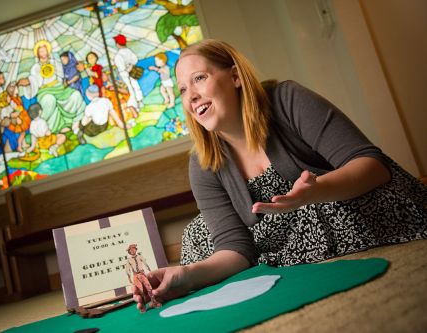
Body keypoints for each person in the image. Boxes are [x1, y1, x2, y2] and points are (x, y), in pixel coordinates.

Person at [132, 39, 427, 312]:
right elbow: (235, 248)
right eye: (182, 89)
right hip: (282, 224)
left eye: (199, 78)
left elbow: (372, 165)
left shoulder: (287, 99)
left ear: (234, 76)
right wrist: (187, 275)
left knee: (326, 210)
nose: (191, 96)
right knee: (197, 234)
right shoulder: (202, 162)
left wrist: (317, 191)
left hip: (342, 194)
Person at [18, 40, 85, 134]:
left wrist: (80, 68)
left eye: (45, 50)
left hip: (58, 87)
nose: (43, 52)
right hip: (45, 90)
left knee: (75, 94)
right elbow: (34, 80)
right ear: (38, 54)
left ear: (48, 51)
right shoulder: (36, 67)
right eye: (41, 51)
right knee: (49, 100)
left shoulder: (55, 62)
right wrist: (28, 81)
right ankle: (56, 128)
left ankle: (71, 123)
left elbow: (63, 73)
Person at [124, 244, 161, 312]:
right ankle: (143, 305)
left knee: (149, 288)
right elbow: (127, 270)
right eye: (131, 250)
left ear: (136, 249)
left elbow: (145, 263)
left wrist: (150, 271)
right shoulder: (129, 260)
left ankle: (154, 302)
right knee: (141, 291)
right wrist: (129, 278)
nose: (132, 250)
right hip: (136, 276)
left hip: (142, 274)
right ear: (129, 251)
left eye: (134, 249)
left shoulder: (140, 256)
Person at [113, 34, 144, 112]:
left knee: (130, 90)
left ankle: (134, 107)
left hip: (125, 75)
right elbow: (135, 60)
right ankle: (140, 102)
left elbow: (121, 69)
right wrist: (130, 66)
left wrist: (126, 71)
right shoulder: (129, 51)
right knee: (136, 87)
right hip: (132, 72)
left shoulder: (118, 55)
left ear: (117, 44)